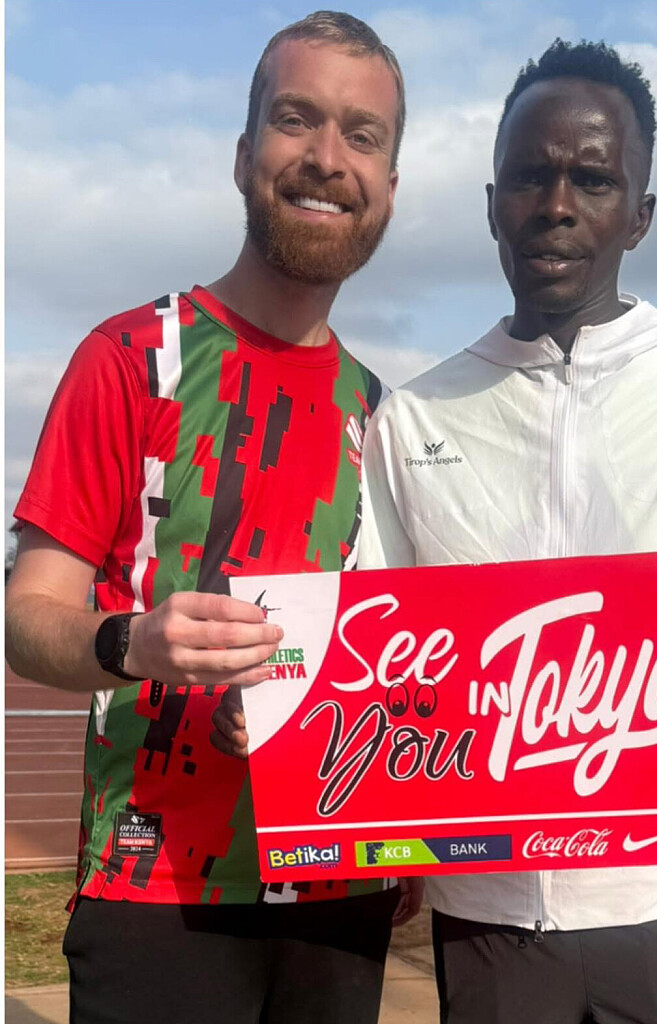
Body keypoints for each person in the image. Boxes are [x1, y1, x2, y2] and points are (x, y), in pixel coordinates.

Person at [354, 40, 657, 1024]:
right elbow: (373, 659)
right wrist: (285, 716)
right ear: (494, 203)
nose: (557, 205)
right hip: (484, 919)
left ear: (638, 215)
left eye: (593, 179)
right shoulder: (411, 418)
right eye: (532, 176)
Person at [5, 12, 421, 1024]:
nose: (327, 158)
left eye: (362, 135)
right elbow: (27, 617)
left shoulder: (390, 417)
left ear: (389, 186)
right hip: (157, 890)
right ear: (244, 155)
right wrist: (134, 643)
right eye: (296, 119)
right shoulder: (129, 359)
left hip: (339, 886)